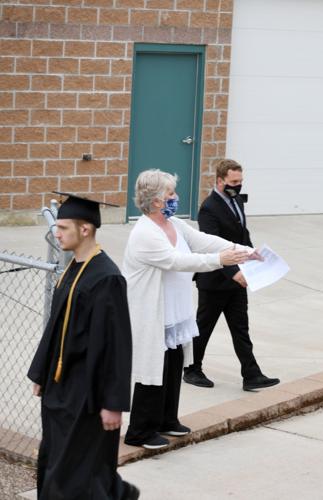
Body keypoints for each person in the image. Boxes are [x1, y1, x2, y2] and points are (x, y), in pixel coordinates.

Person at [123, 169, 260, 449]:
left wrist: (244, 250)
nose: (176, 197)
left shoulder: (174, 224)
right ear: (157, 200)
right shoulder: (145, 233)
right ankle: (140, 431)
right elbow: (179, 261)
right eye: (171, 193)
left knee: (173, 365)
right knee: (153, 369)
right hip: (153, 311)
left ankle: (167, 420)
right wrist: (220, 260)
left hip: (175, 310)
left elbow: (204, 241)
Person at [27, 193, 139, 499]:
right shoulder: (74, 268)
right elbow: (55, 326)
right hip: (60, 389)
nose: (56, 232)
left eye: (63, 227)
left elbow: (117, 345)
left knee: (76, 475)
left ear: (85, 229)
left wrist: (113, 402)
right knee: (58, 465)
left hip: (86, 396)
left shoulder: (107, 277)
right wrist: (40, 373)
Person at [183, 159, 279, 391]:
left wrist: (253, 254)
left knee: (241, 328)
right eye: (233, 182)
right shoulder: (209, 208)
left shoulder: (236, 201)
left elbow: (242, 234)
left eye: (240, 181)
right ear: (220, 181)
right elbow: (211, 244)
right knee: (203, 327)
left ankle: (251, 375)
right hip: (215, 281)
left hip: (237, 280)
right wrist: (233, 272)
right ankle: (192, 370)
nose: (237, 186)